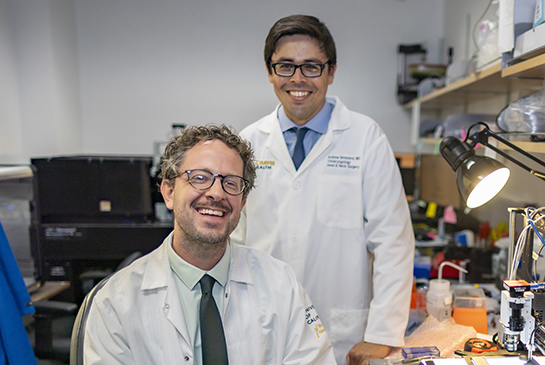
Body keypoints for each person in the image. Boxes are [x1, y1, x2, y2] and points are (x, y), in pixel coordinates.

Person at [231, 15, 415, 365]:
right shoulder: (248, 143)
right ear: (270, 72)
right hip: (260, 326)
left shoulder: (365, 137)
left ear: (331, 72)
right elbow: (234, 241)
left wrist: (381, 334)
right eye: (285, 66)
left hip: (341, 332)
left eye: (311, 67)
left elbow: (393, 241)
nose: (297, 79)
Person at [82, 124, 336, 364]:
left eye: (230, 183)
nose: (217, 193)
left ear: (243, 203)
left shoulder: (282, 285)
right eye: (200, 178)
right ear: (169, 192)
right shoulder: (114, 302)